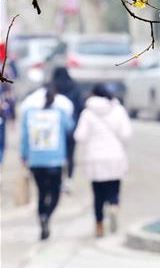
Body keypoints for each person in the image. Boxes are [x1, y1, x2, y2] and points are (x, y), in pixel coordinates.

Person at [75, 83, 132, 237]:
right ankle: (114, 206)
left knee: (98, 195)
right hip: (115, 156)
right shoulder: (118, 110)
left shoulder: (87, 113)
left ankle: (99, 225)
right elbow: (126, 133)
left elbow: (79, 136)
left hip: (95, 157)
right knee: (114, 188)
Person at [20, 83, 74, 240]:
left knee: (41, 193)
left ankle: (42, 217)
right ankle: (47, 216)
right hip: (55, 161)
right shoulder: (60, 112)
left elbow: (24, 138)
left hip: (36, 161)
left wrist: (24, 157)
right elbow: (70, 128)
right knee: (55, 193)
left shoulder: (29, 113)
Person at [50, 68, 84, 193]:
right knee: (70, 155)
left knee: (56, 155)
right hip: (72, 128)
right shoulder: (75, 87)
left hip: (55, 128)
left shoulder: (52, 87)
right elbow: (81, 107)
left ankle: (57, 181)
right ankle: (69, 180)